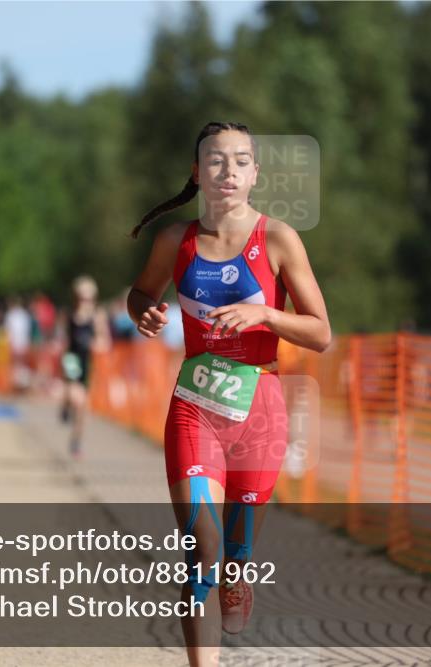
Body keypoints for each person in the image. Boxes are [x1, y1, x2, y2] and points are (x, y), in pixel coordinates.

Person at [127, 121, 330, 665]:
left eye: (241, 161)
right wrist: (141, 309)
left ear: (255, 174)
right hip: (195, 408)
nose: (228, 170)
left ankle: (239, 575)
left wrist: (265, 313)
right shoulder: (176, 241)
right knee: (202, 552)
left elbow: (321, 333)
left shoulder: (280, 239)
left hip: (260, 412)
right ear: (198, 172)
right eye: (216, 160)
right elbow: (142, 290)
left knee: (235, 556)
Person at [56, 275, 111, 459]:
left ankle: (76, 441)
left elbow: (105, 341)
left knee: (82, 408)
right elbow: (63, 339)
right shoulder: (70, 315)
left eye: (88, 298)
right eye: (81, 297)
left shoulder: (97, 316)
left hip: (88, 362)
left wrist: (97, 343)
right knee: (76, 397)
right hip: (72, 359)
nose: (84, 301)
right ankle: (65, 403)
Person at [4, 296, 33, 391]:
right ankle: (20, 384)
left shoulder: (11, 315)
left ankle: (19, 384)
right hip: (22, 342)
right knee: (21, 364)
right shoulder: (24, 315)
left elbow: (8, 331)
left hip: (16, 343)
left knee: (17, 364)